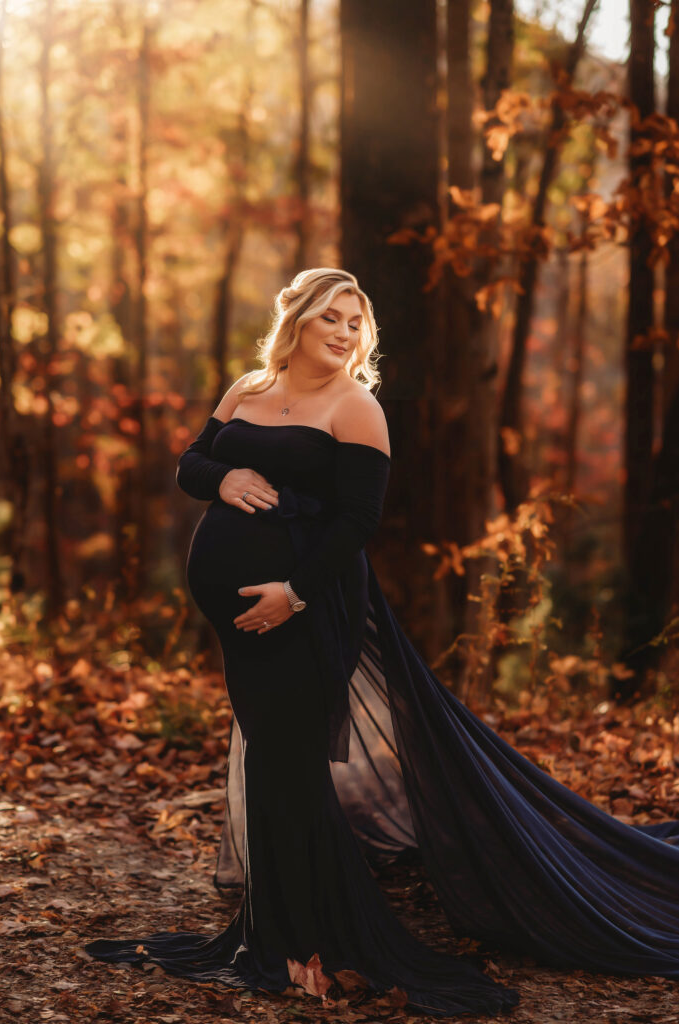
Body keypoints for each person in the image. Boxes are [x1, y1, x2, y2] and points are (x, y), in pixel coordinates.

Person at [85, 268, 679, 1018]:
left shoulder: (356, 406)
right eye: (329, 317)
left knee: (292, 766)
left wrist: (293, 592)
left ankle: (310, 946)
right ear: (296, 319)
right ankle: (277, 934)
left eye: (354, 323)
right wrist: (225, 473)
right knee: (272, 762)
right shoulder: (246, 388)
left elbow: (356, 524)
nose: (342, 333)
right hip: (241, 624)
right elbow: (188, 464)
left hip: (309, 607)